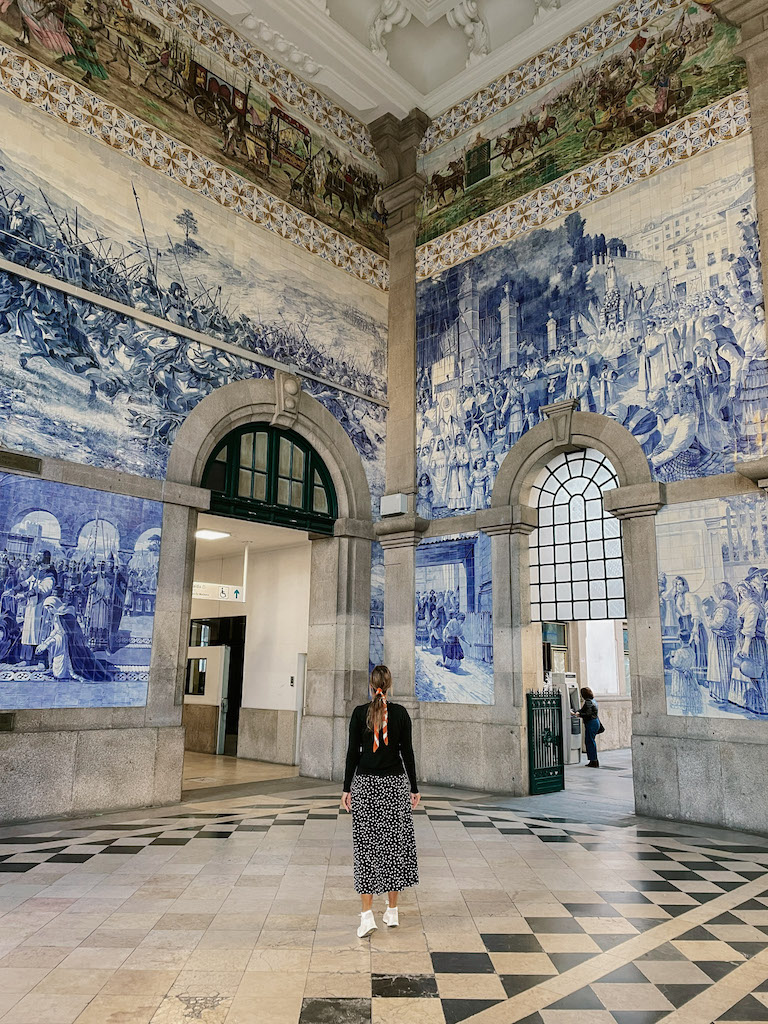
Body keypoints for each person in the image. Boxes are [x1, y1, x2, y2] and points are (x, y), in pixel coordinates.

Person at [341, 665, 420, 938]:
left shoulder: (359, 714)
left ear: (370, 684)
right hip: (395, 786)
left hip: (365, 785)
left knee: (366, 849)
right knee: (394, 846)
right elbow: (407, 752)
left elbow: (352, 753)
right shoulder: (400, 714)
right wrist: (414, 787)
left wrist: (346, 788)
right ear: (390, 685)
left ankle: (366, 916)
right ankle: (393, 910)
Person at [572, 686, 601, 768]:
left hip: (591, 723)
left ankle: (593, 761)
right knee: (591, 741)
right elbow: (584, 710)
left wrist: (579, 714)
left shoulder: (588, 701)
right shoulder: (593, 701)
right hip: (595, 722)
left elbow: (588, 713)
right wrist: (578, 711)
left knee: (589, 742)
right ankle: (594, 760)